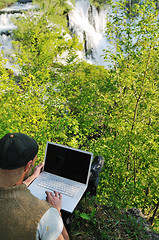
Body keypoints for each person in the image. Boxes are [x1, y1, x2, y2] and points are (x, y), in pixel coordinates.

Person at [0, 133, 104, 239]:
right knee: (68, 212)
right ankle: (91, 175)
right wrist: (56, 212)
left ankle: (91, 175)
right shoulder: (43, 214)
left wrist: (33, 176)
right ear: (28, 166)